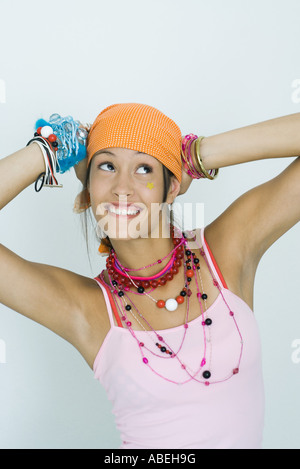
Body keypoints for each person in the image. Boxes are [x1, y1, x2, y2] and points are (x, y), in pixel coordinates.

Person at [0, 103, 299, 449]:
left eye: (144, 168)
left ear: (171, 189)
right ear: (87, 192)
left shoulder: (226, 251)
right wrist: (49, 148)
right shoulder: (86, 308)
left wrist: (197, 155)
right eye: (107, 166)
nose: (122, 187)